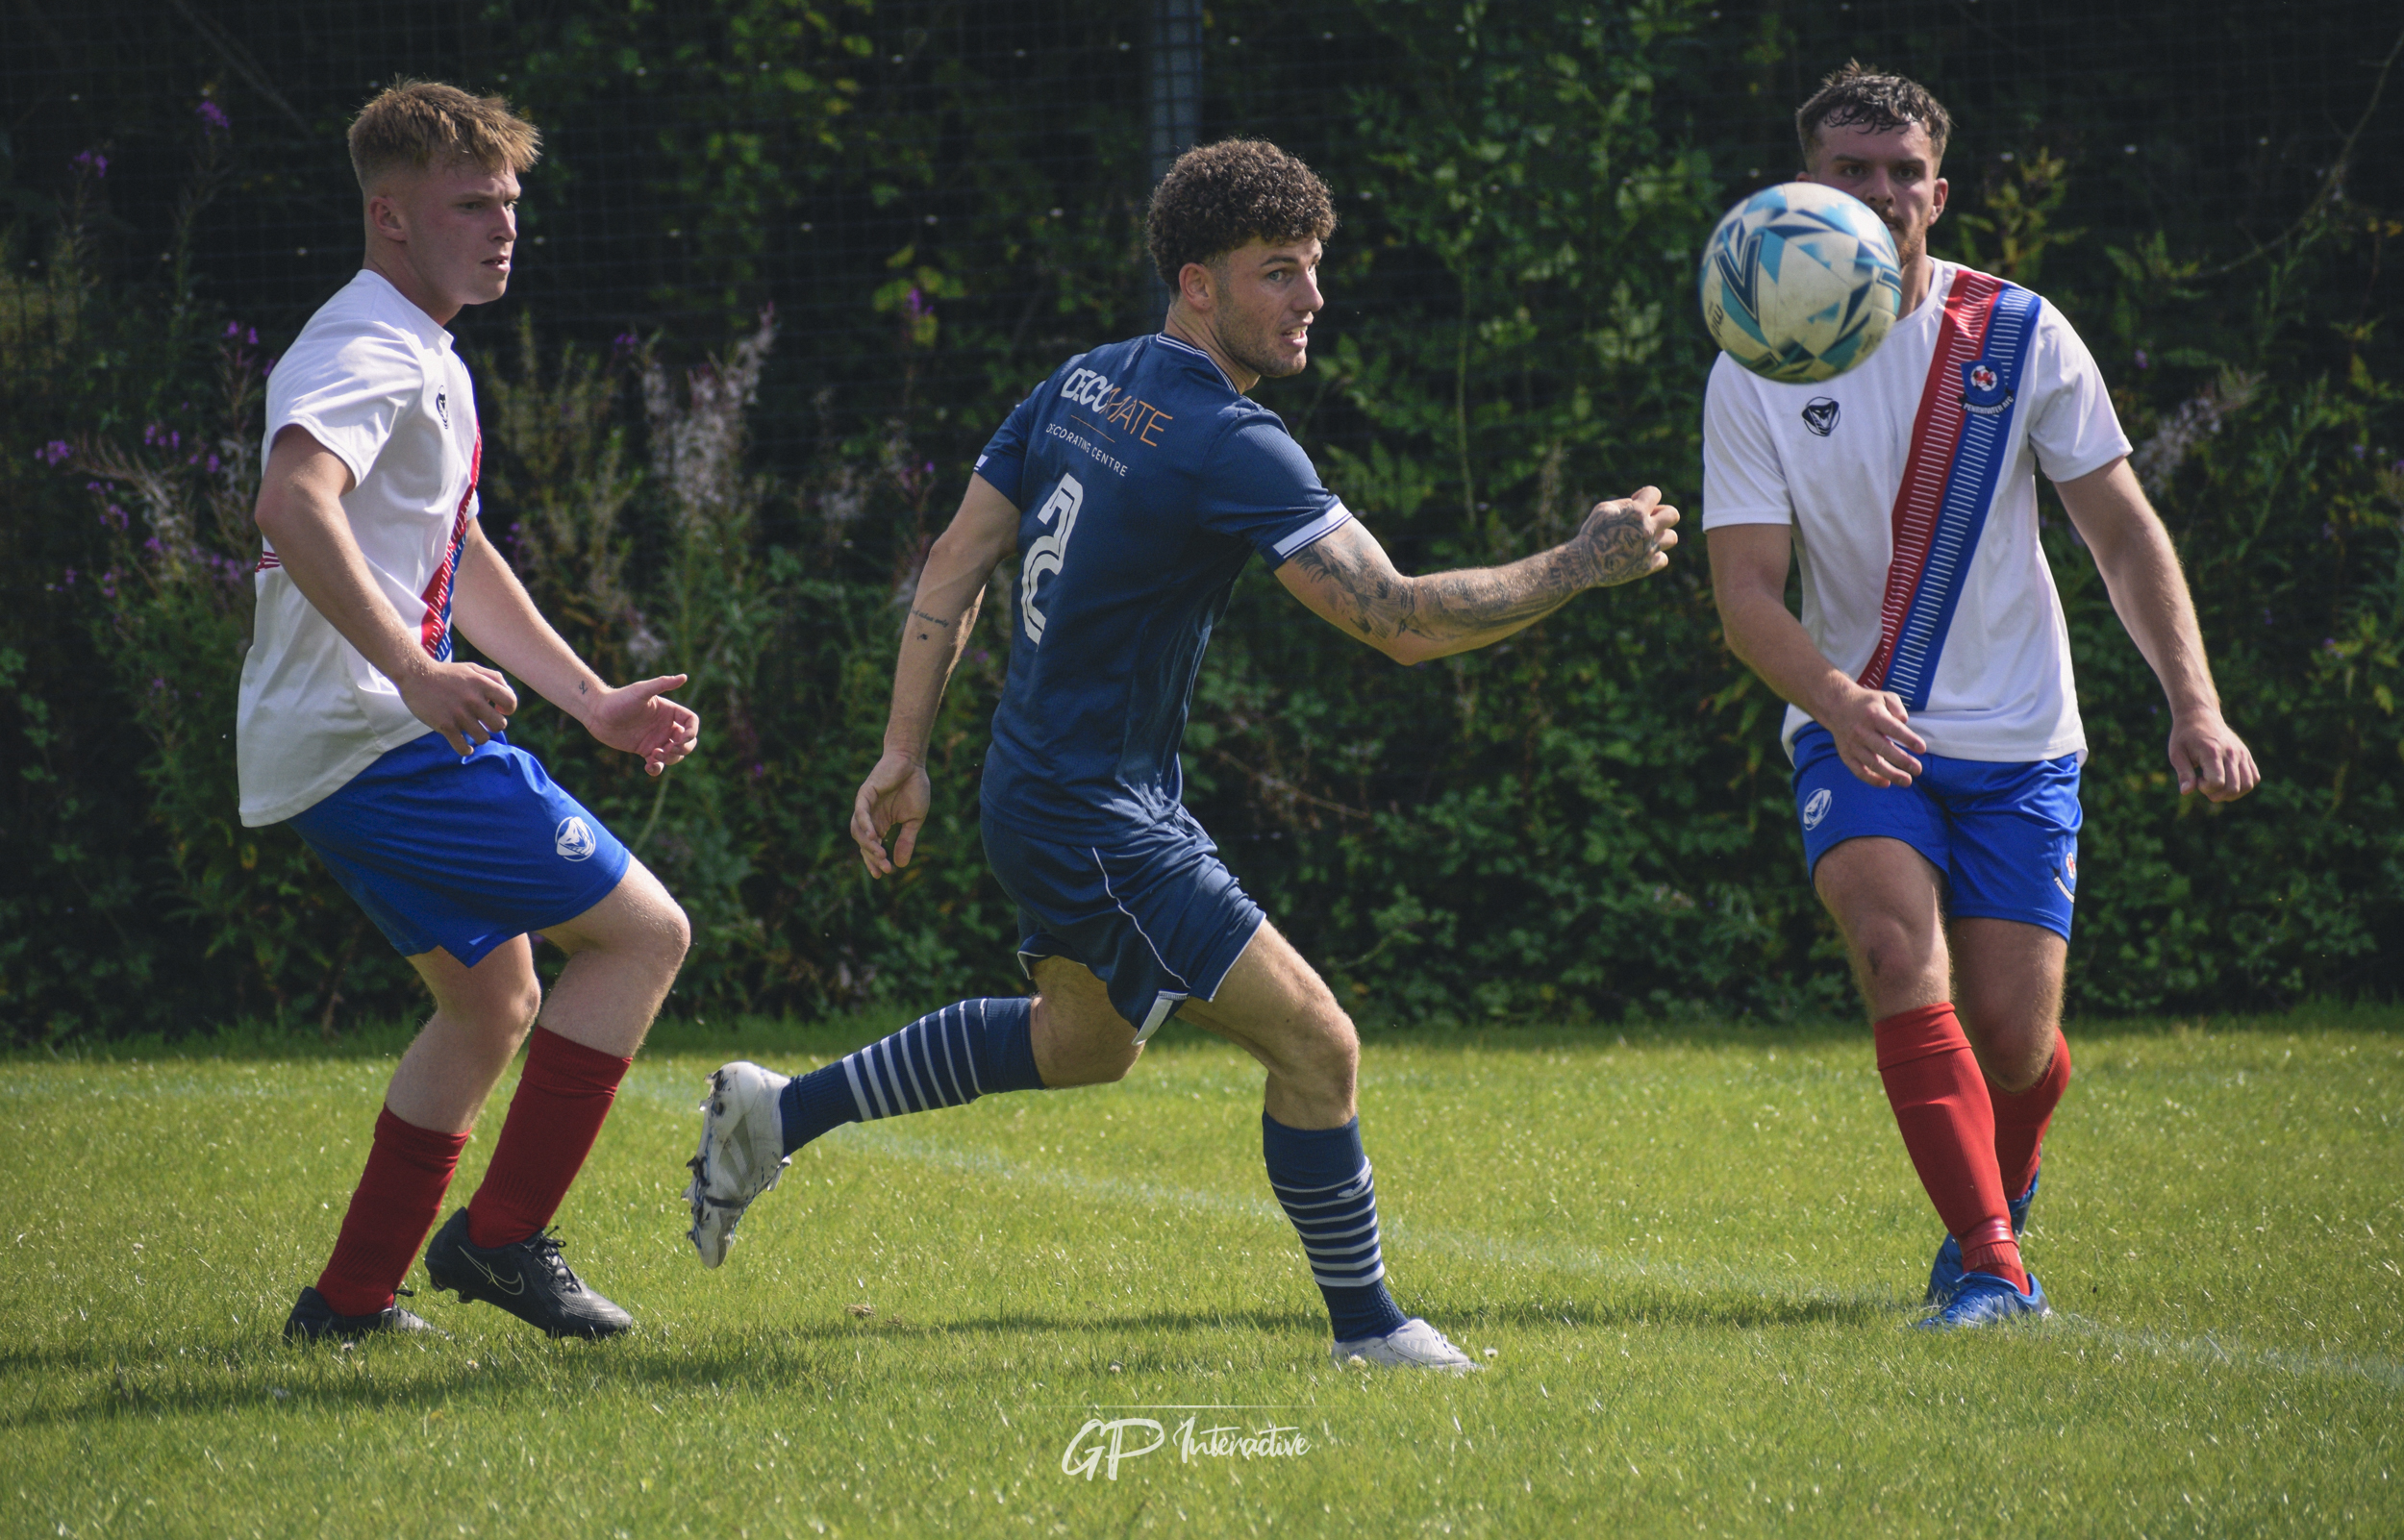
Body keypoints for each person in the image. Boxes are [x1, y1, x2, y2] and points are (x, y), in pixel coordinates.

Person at [687, 138, 1680, 1369]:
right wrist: (1581, 560)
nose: (1310, 297)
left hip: (1038, 789)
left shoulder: (1080, 383)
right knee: (1318, 1043)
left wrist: (904, 751)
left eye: (1314, 268)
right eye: (1279, 272)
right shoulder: (1229, 440)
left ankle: (779, 1113)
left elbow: (952, 565)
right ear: (1198, 283)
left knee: (1084, 1044)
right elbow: (1401, 621)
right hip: (1097, 816)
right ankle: (1367, 1328)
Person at [1704, 64, 2259, 1328]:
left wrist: (2196, 703)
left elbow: (2122, 534)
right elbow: (1745, 593)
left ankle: (1996, 1198)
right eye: (1854, 171)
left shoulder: (2018, 332)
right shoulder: (1753, 361)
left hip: (2021, 737)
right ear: (1807, 191)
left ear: (1939, 194)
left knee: (2013, 1036)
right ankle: (1995, 1263)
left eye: (1905, 173)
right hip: (1859, 728)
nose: (1883, 194)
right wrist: (1838, 701)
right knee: (1900, 953)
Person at [247, 81, 701, 1342]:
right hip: (374, 738)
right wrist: (411, 668)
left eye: (509, 202)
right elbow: (294, 502)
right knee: (643, 935)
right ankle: (501, 1241)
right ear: (390, 218)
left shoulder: (426, 349)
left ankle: (346, 1302)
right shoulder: (366, 345)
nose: (502, 227)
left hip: (337, 740)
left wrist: (592, 699)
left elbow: (460, 546)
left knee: (494, 999)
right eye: (470, 206)